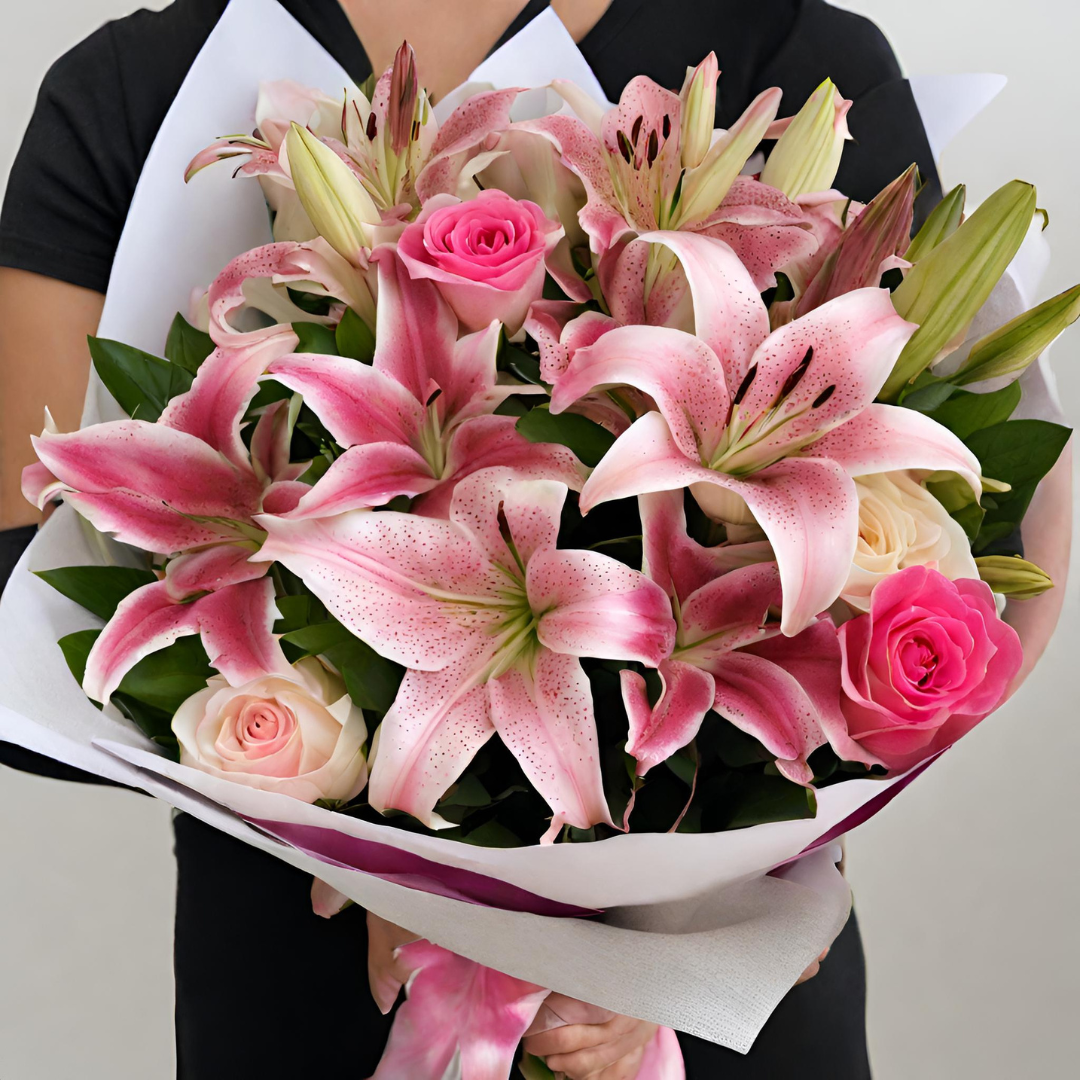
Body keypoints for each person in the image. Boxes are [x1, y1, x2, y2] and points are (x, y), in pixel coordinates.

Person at [0, 1, 959, 1076]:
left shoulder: (799, 57)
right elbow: (29, 612)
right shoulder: (137, 89)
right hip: (312, 985)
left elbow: (913, 573)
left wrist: (657, 935)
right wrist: (388, 851)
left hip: (718, 985)